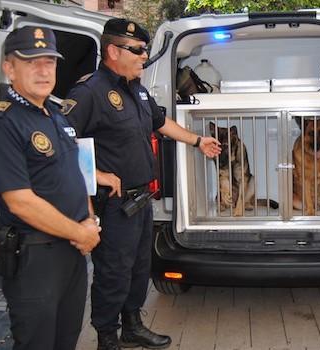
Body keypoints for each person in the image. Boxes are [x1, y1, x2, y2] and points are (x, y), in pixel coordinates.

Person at [64, 18, 221, 350]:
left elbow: (161, 123)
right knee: (113, 273)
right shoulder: (88, 92)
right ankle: (107, 336)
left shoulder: (136, 88)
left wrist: (197, 141)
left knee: (139, 269)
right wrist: (94, 176)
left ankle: (132, 326)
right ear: (112, 51)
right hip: (114, 204)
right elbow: (62, 145)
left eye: (144, 50)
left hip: (140, 200)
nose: (143, 57)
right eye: (136, 50)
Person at [0, 26, 101, 350]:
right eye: (31, 61)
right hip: (35, 257)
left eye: (49, 61)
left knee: (66, 339)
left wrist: (89, 220)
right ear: (9, 68)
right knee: (37, 343)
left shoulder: (55, 115)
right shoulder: (2, 122)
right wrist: (79, 231)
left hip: (72, 251)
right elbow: (20, 202)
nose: (43, 70)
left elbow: (76, 175)